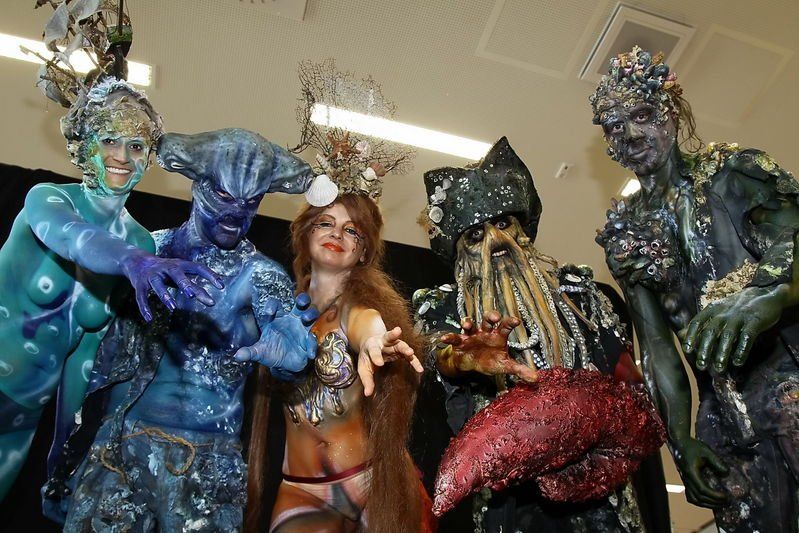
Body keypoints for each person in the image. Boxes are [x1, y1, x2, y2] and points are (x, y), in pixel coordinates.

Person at [43, 128, 318, 530]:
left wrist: (291, 366)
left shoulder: (260, 276)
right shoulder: (146, 251)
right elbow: (93, 352)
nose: (236, 214)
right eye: (223, 195)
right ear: (197, 185)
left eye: (250, 202)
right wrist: (72, 451)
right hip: (118, 451)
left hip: (206, 461)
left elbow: (287, 355)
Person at [592, 46, 799, 531]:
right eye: (615, 127)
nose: (632, 135)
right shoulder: (625, 234)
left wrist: (766, 296)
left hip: (787, 377)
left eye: (642, 115)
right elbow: (657, 347)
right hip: (723, 416)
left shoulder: (736, 173)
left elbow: (794, 242)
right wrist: (680, 441)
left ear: (671, 111)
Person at [414, 137, 668, 532]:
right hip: (511, 507)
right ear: (460, 253)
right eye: (476, 235)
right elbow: (435, 352)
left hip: (600, 495)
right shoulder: (446, 307)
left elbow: (630, 387)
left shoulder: (578, 293)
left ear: (522, 230)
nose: (495, 240)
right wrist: (462, 359)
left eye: (503, 224)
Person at [0, 78, 220, 501]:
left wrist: (62, 448)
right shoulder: (47, 200)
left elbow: (84, 351)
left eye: (136, 145)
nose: (122, 156)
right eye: (109, 140)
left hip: (23, 413)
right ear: (83, 145)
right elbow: (73, 237)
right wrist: (132, 261)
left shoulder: (139, 242)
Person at [248, 191, 430, 533]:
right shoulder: (279, 311)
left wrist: (375, 340)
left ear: (363, 252)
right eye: (326, 223)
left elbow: (366, 322)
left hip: (372, 480)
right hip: (304, 490)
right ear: (305, 233)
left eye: (351, 230)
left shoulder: (353, 308)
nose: (337, 233)